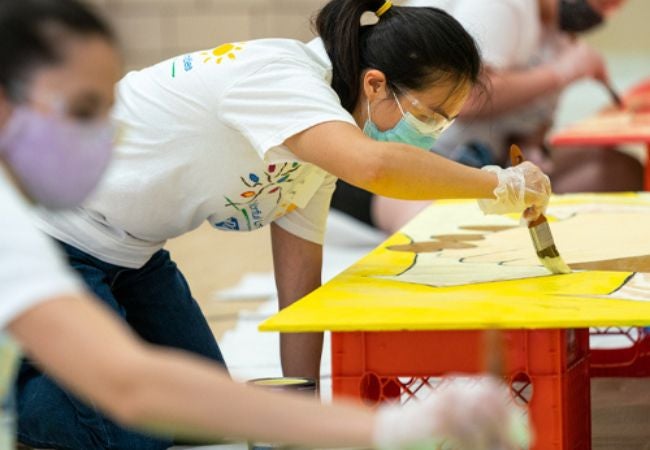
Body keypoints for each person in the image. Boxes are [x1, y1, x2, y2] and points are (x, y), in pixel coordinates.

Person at [0, 1, 532, 450]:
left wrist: (301, 411)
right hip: (59, 235)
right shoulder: (283, 79)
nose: (435, 133)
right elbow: (374, 167)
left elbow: (300, 295)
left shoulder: (320, 147)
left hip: (135, 256)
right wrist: (496, 183)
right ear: (375, 84)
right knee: (129, 426)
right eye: (432, 116)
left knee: (203, 417)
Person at [334, 0, 641, 234]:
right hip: (428, 156)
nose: (606, 11)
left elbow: (528, 119)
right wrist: (561, 72)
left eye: (617, 6)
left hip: (483, 155)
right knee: (438, 228)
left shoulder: (558, 35)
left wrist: (532, 148)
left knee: (616, 169)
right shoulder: (500, 8)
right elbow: (464, 100)